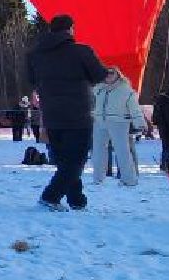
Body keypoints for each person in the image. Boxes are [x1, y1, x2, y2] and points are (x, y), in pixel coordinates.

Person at [26, 15, 106, 211]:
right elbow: (99, 75)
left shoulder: (34, 56)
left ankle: (76, 200)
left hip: (52, 115)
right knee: (75, 161)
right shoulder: (81, 51)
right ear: (70, 29)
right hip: (78, 114)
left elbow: (32, 80)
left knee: (65, 161)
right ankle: (50, 196)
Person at [88, 65, 147, 188]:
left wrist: (140, 123)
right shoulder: (98, 89)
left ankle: (129, 179)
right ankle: (98, 179)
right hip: (99, 122)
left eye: (112, 73)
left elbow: (135, 109)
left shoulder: (126, 90)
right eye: (106, 73)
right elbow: (90, 105)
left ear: (118, 75)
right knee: (97, 152)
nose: (109, 75)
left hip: (119, 122)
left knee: (122, 151)